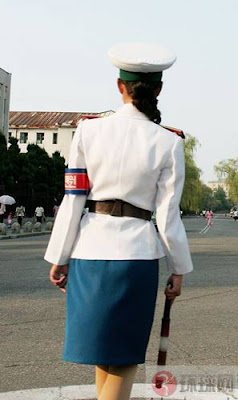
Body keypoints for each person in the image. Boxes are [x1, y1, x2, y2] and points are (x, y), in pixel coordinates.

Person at [44, 42, 193, 400]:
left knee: (103, 353)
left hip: (89, 249)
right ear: (158, 89)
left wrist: (58, 256)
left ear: (119, 86)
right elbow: (167, 215)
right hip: (137, 256)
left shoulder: (88, 131)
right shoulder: (168, 142)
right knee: (124, 356)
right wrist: (179, 268)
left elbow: (74, 197)